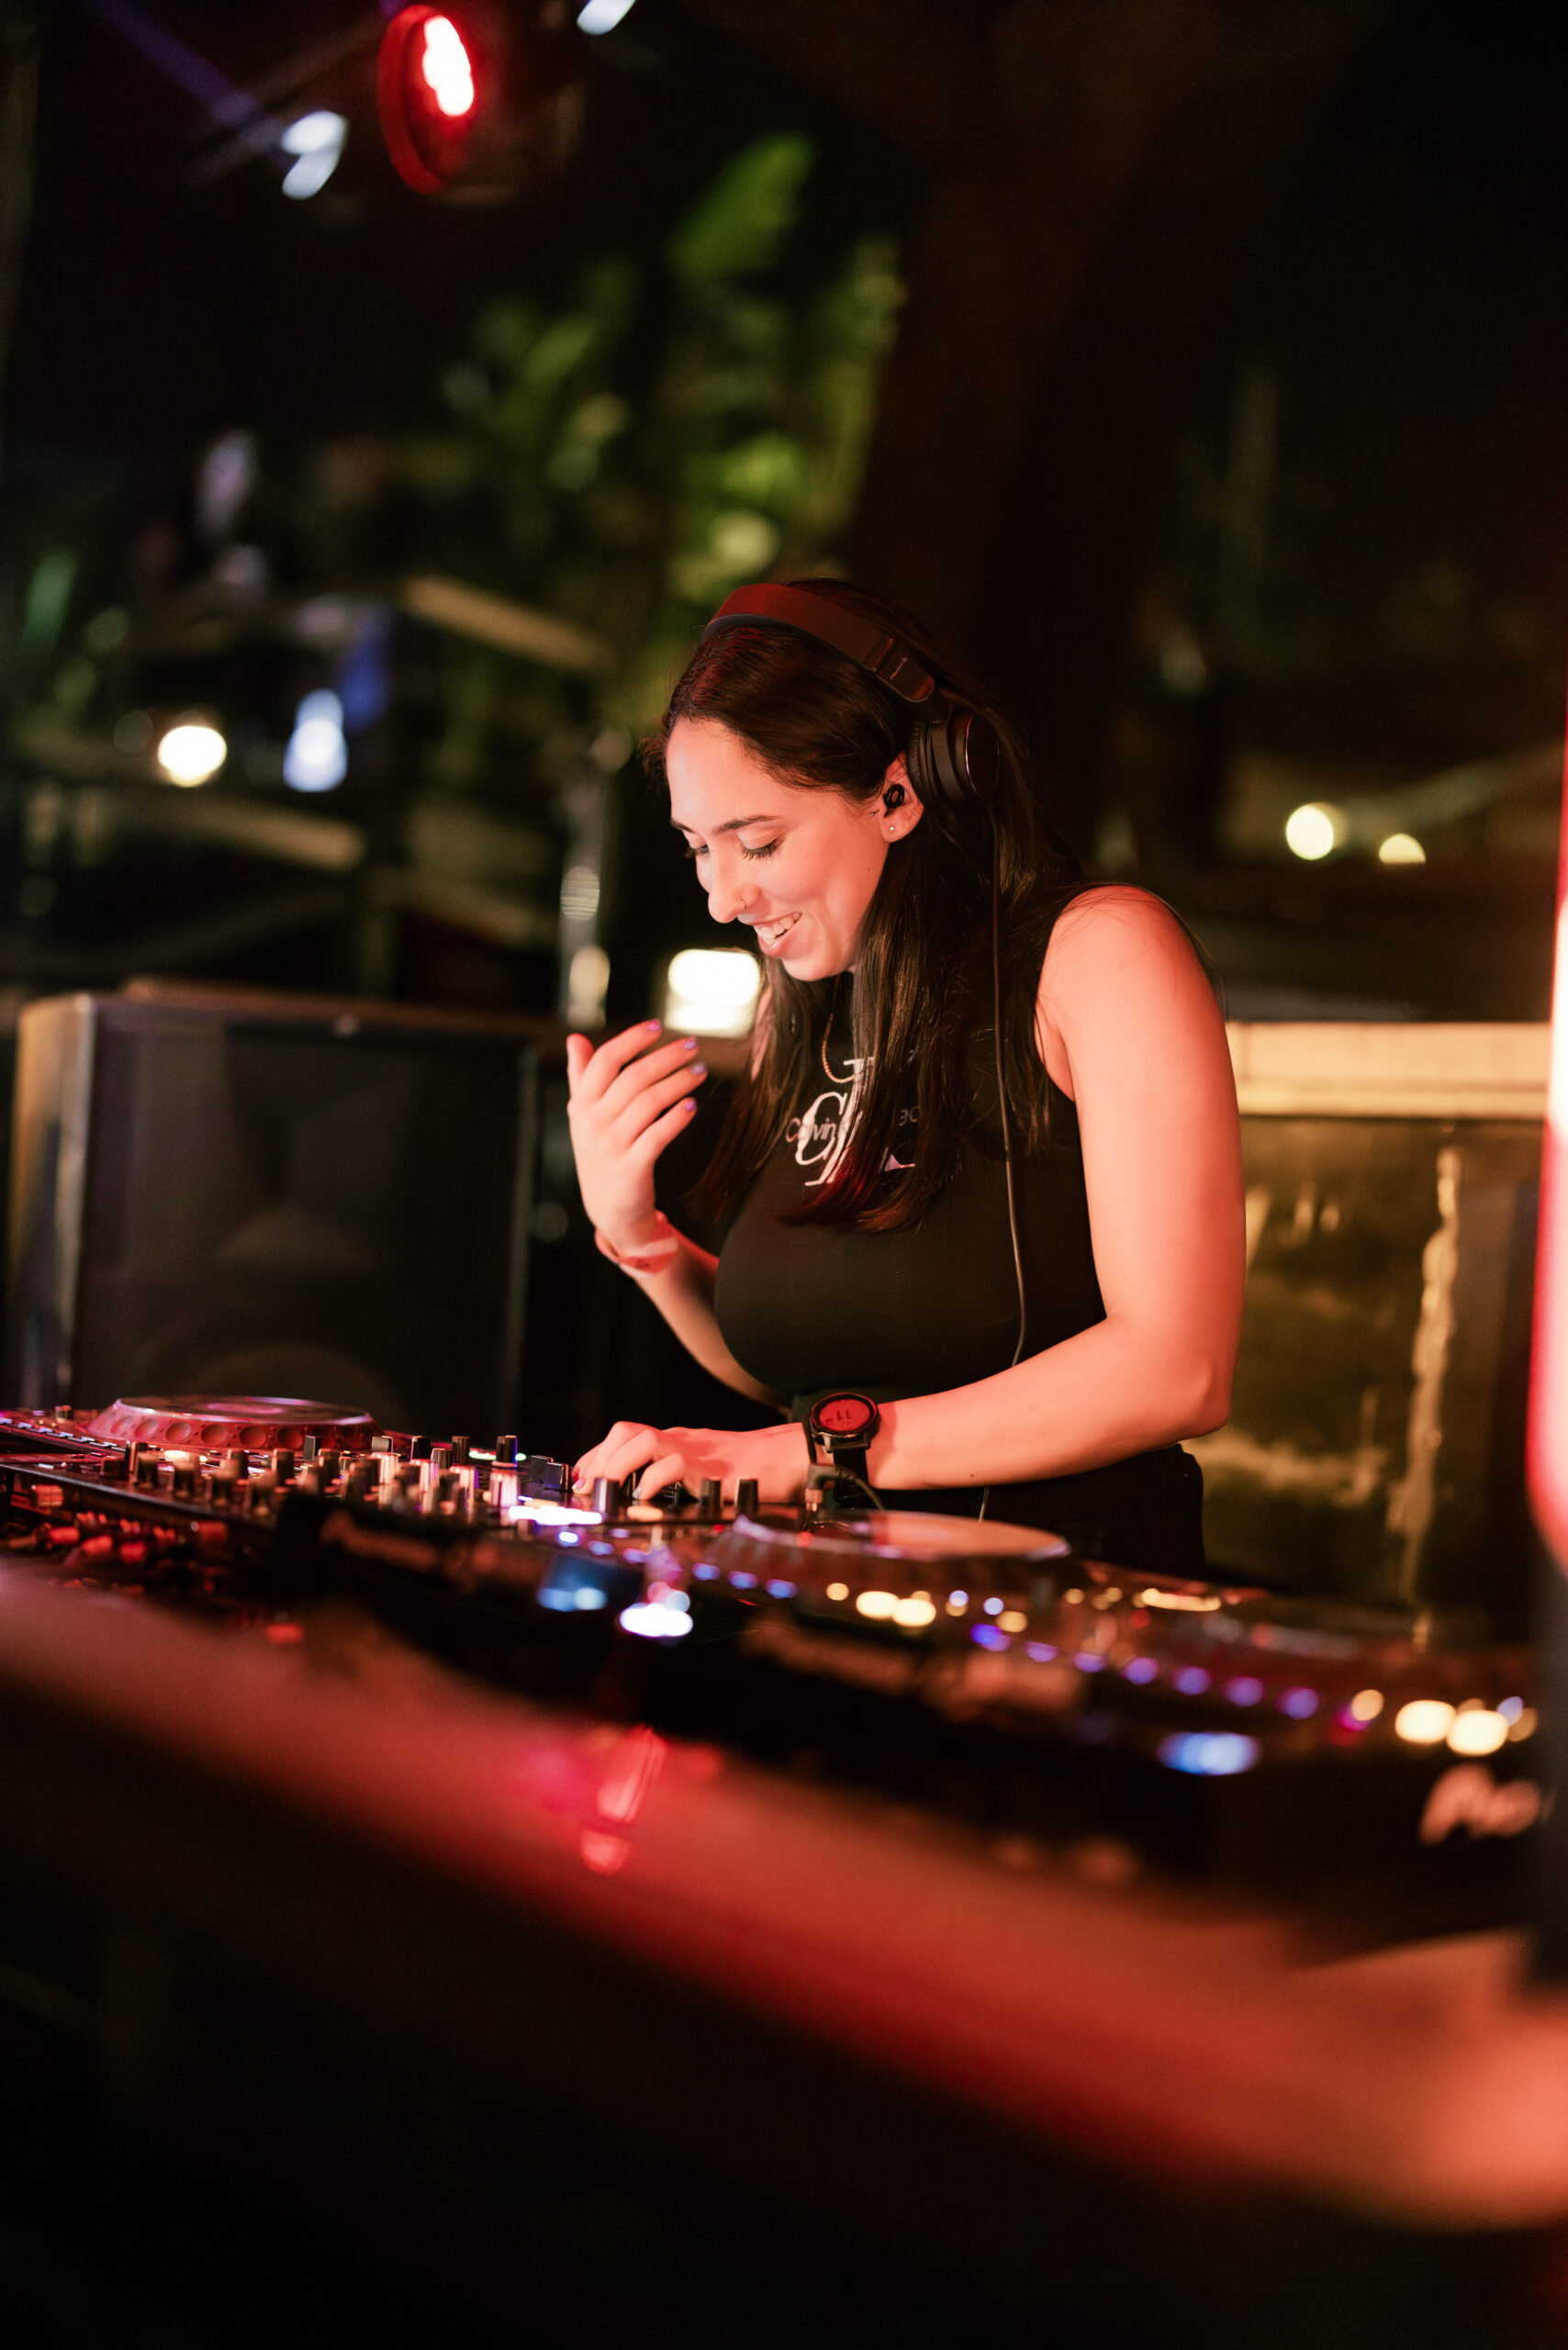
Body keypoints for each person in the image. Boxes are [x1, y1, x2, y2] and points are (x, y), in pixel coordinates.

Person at [566, 580, 1244, 1571]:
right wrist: (638, 1239)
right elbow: (801, 1373)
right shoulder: (803, 1002)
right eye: (698, 849)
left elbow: (1179, 1368)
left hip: (1055, 1607)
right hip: (823, 1593)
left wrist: (809, 1456)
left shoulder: (1099, 956)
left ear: (899, 791)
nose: (721, 896)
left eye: (757, 842)